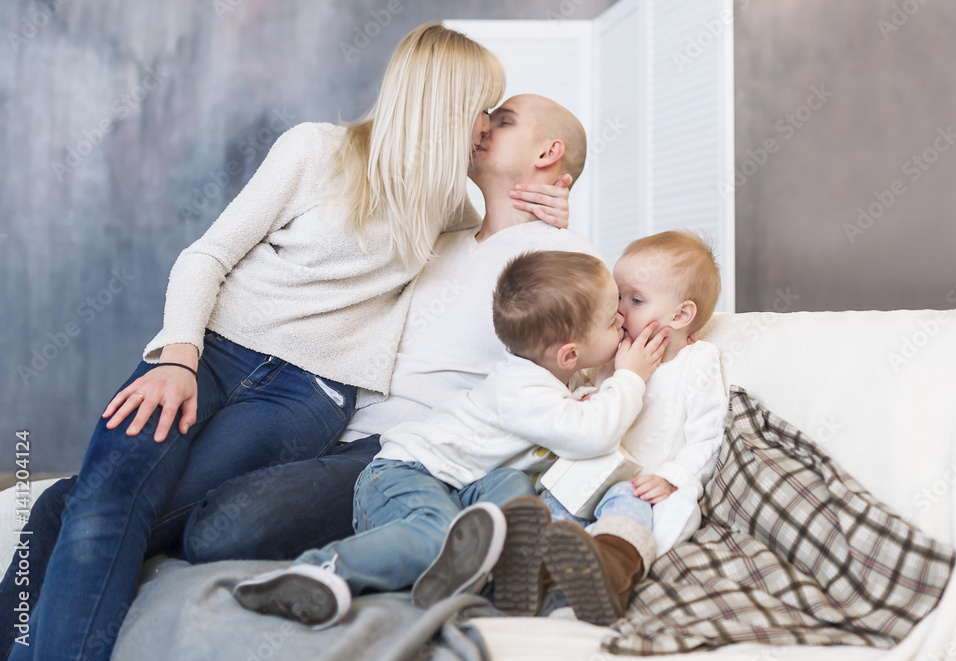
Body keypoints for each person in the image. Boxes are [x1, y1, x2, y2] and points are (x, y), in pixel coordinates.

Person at [0, 25, 575, 661]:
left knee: (111, 507)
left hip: (307, 395)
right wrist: (178, 358)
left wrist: (547, 210)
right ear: (441, 104)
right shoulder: (313, 150)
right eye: (482, 110)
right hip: (208, 353)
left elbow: (500, 243)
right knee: (86, 497)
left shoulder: (448, 208)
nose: (485, 128)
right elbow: (206, 256)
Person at [179, 94, 600, 563]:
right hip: (325, 419)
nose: (480, 127)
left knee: (220, 530)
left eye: (502, 121)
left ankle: (445, 524)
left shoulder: (569, 260)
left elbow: (591, 360)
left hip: (412, 449)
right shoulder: (438, 236)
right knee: (175, 487)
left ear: (547, 154)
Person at [232, 251, 670, 627]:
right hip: (404, 476)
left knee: (517, 501)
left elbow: (571, 419)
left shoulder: (548, 383)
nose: (624, 325)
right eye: (615, 321)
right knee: (434, 532)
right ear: (569, 354)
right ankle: (320, 572)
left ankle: (464, 577)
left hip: (463, 485)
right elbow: (591, 434)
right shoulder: (520, 389)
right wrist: (630, 377)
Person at [492, 230, 728, 626]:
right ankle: (536, 573)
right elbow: (584, 391)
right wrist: (583, 398)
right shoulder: (613, 353)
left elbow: (708, 435)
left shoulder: (697, 363)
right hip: (589, 470)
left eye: (634, 300)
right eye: (617, 297)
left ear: (680, 316)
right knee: (551, 505)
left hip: (643, 484)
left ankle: (604, 571)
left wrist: (673, 478)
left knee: (660, 511)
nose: (618, 311)